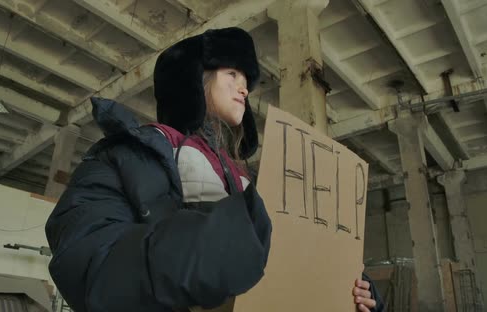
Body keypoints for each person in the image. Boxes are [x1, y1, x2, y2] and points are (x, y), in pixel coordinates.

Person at [45, 27, 382, 312]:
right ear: (196, 78)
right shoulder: (129, 154)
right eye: (232, 73)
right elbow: (85, 263)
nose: (245, 88)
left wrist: (350, 289)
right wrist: (207, 250)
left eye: (246, 79)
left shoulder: (248, 180)